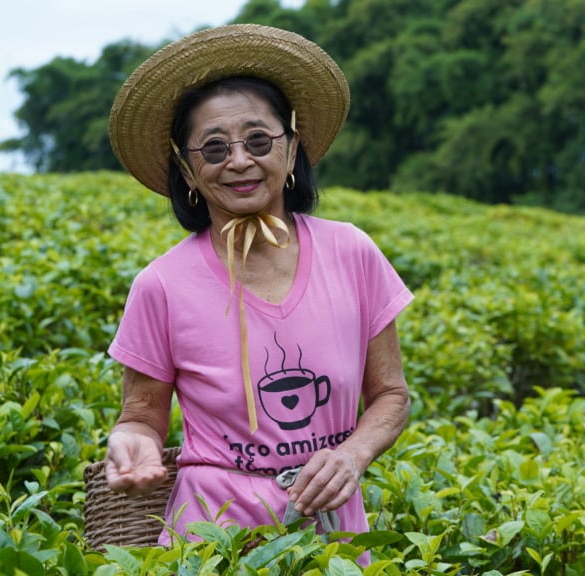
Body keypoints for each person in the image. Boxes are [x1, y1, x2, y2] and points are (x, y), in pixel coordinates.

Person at [103, 24, 413, 554]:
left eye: (259, 140)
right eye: (215, 147)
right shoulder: (161, 285)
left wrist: (351, 455)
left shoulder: (352, 252)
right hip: (209, 536)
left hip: (329, 533)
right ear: (187, 168)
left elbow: (391, 395)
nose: (240, 161)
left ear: (292, 149)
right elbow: (141, 416)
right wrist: (132, 445)